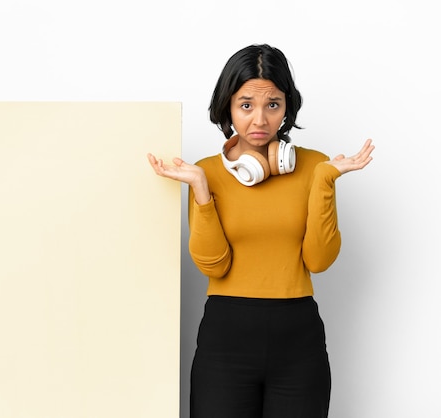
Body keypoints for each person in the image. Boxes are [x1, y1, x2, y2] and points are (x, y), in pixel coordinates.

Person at [147, 44, 374, 418]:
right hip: (224, 340)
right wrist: (202, 190)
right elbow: (213, 266)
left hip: (299, 340)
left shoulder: (315, 166)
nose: (260, 120)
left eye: (273, 104)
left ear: (287, 107)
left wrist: (326, 181)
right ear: (228, 107)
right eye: (246, 104)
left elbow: (318, 260)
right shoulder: (205, 172)